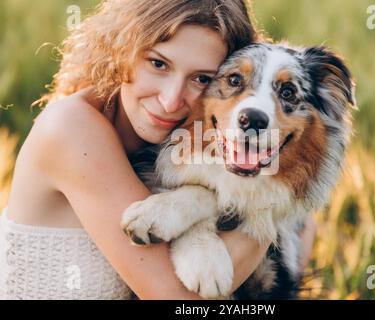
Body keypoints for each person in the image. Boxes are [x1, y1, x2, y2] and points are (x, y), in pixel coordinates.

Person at [0, 0, 315, 299]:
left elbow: (304, 233)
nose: (170, 100)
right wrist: (275, 204)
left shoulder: (183, 141)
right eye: (158, 63)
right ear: (122, 47)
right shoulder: (71, 128)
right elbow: (180, 297)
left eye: (202, 78)